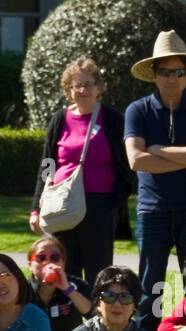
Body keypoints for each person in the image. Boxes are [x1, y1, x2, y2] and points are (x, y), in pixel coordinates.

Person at [123, 30, 186, 329]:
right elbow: (136, 161)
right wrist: (184, 154)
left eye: (178, 72)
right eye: (164, 72)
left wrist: (158, 150)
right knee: (151, 285)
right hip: (153, 210)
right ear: (154, 74)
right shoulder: (137, 110)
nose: (171, 79)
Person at [29, 57, 130, 284]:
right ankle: (69, 318)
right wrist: (36, 208)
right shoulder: (59, 120)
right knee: (66, 270)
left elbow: (127, 165)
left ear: (98, 88)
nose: (83, 89)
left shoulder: (113, 119)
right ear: (68, 89)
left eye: (88, 84)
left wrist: (113, 201)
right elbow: (47, 165)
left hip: (100, 208)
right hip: (63, 207)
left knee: (99, 273)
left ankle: (97, 317)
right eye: (77, 85)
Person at [26, 236, 92, 331]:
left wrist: (67, 289)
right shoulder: (23, 290)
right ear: (30, 264)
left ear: (63, 263)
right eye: (41, 257)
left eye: (55, 258)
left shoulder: (75, 285)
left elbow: (90, 312)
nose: (48, 262)